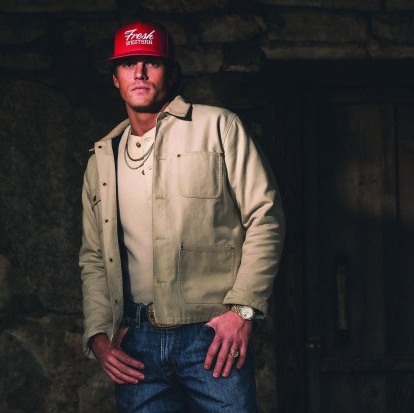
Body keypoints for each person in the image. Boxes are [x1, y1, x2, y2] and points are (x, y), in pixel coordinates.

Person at [79, 21, 285, 413]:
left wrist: (242, 311)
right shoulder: (102, 158)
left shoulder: (218, 126)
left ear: (170, 73)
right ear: (115, 78)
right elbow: (93, 256)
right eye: (128, 64)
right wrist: (98, 336)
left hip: (211, 336)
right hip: (136, 342)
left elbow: (265, 216)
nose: (140, 73)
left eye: (151, 63)